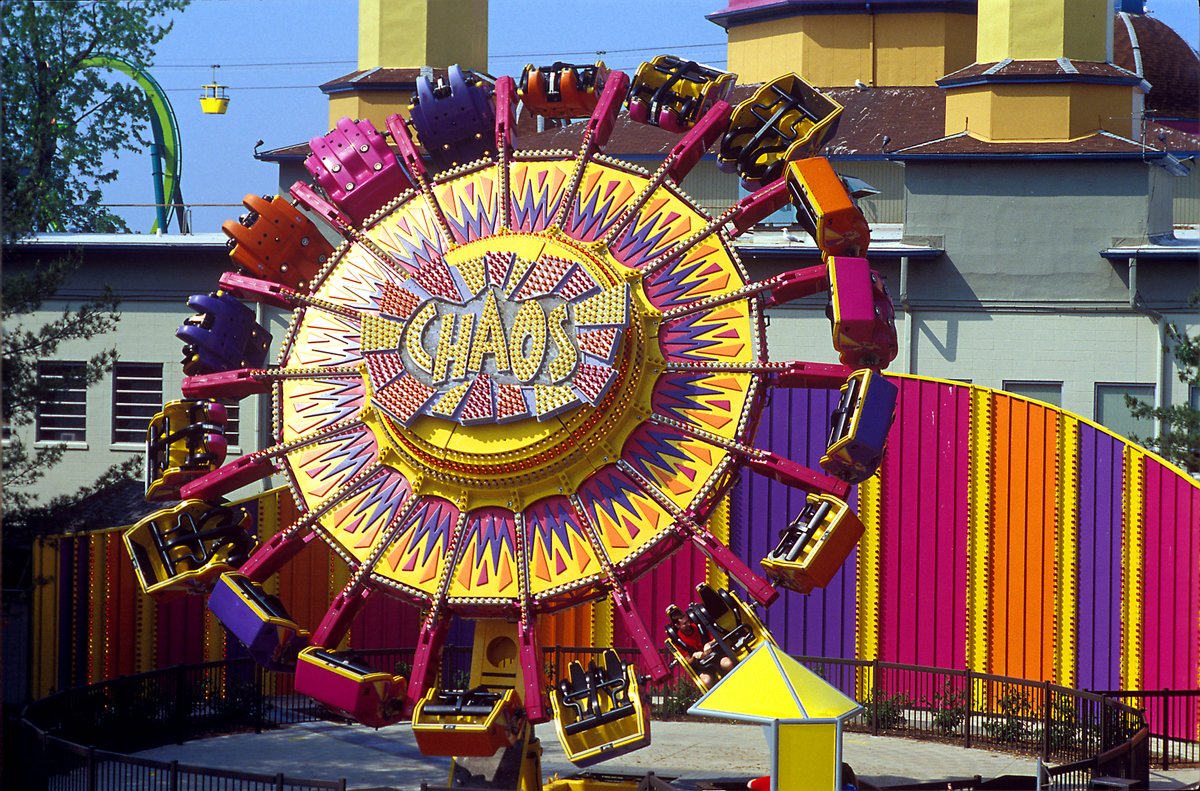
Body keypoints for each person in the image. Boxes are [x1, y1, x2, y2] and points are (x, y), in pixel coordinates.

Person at [668, 605, 734, 687]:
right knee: (706, 681)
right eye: (685, 624)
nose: (689, 624)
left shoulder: (697, 626)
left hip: (714, 655)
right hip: (702, 666)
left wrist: (709, 644)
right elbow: (688, 661)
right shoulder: (678, 641)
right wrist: (694, 656)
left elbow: (716, 638)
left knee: (727, 664)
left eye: (688, 621)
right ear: (677, 625)